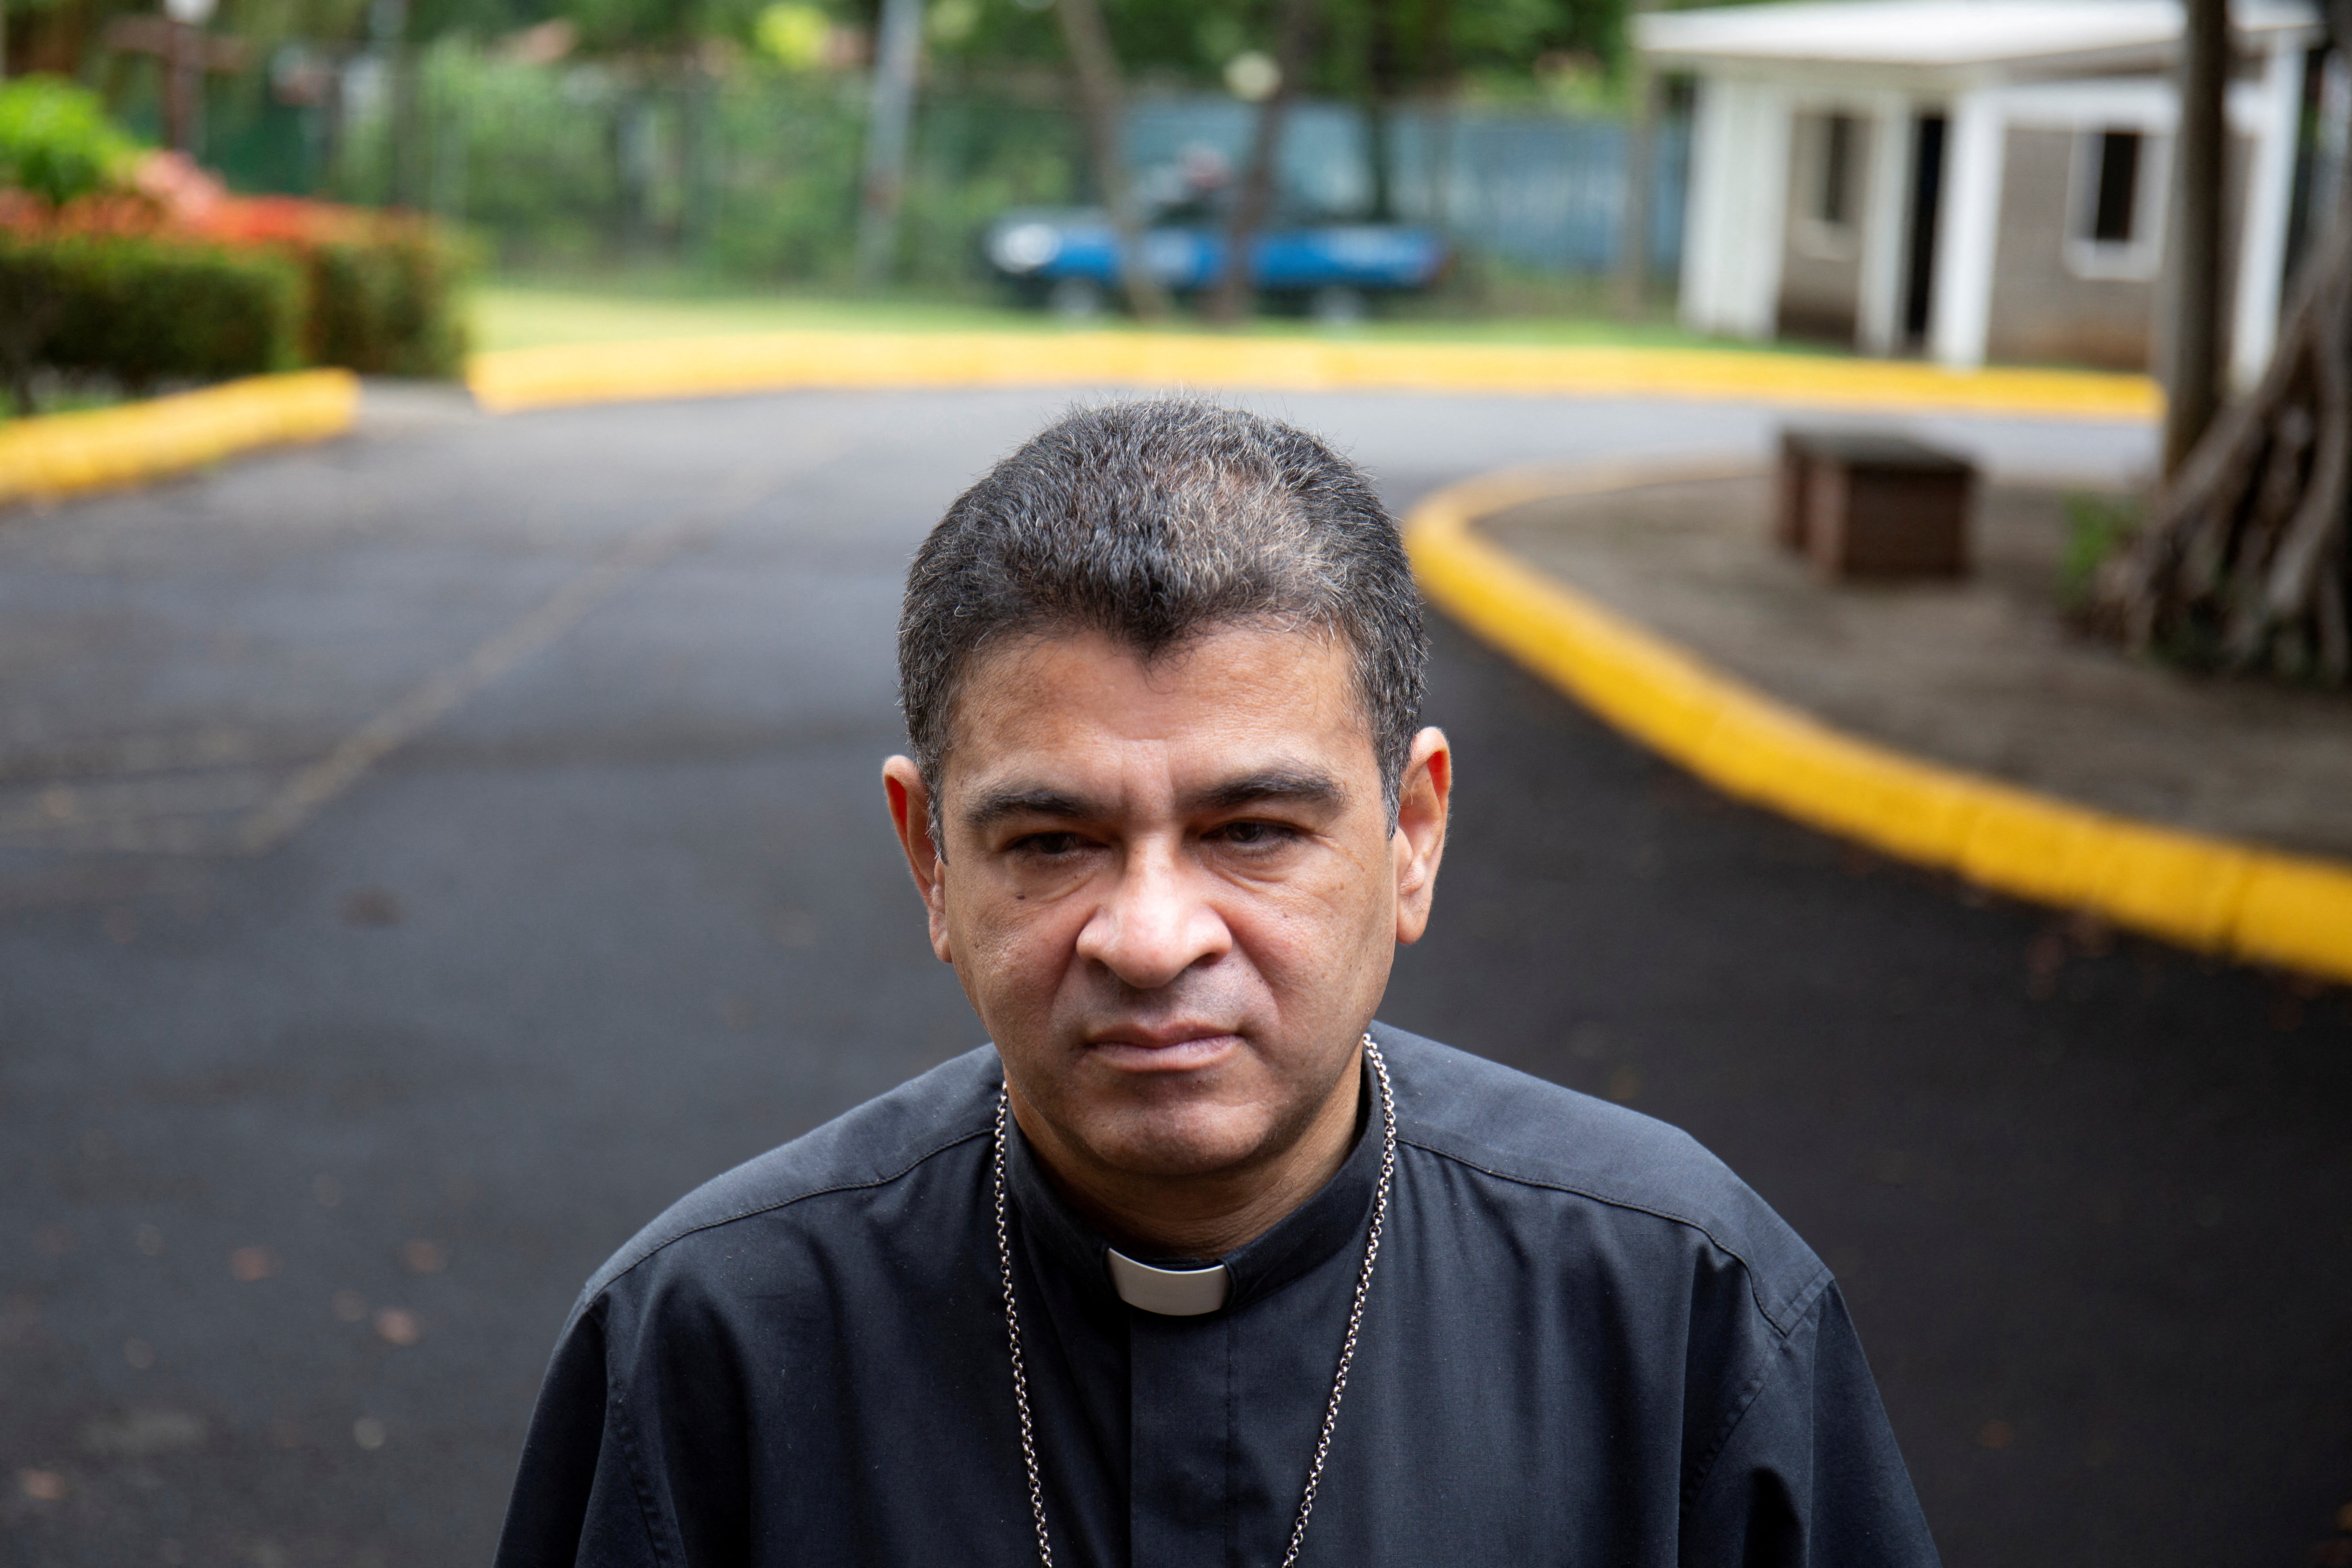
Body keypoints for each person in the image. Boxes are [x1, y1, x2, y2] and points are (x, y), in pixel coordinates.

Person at [494, 399, 1940, 1567]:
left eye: (1252, 831)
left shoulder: (1681, 1308)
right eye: (1052, 840)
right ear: (930, 856)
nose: (1149, 934)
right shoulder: (712, 1343)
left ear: (1411, 834)